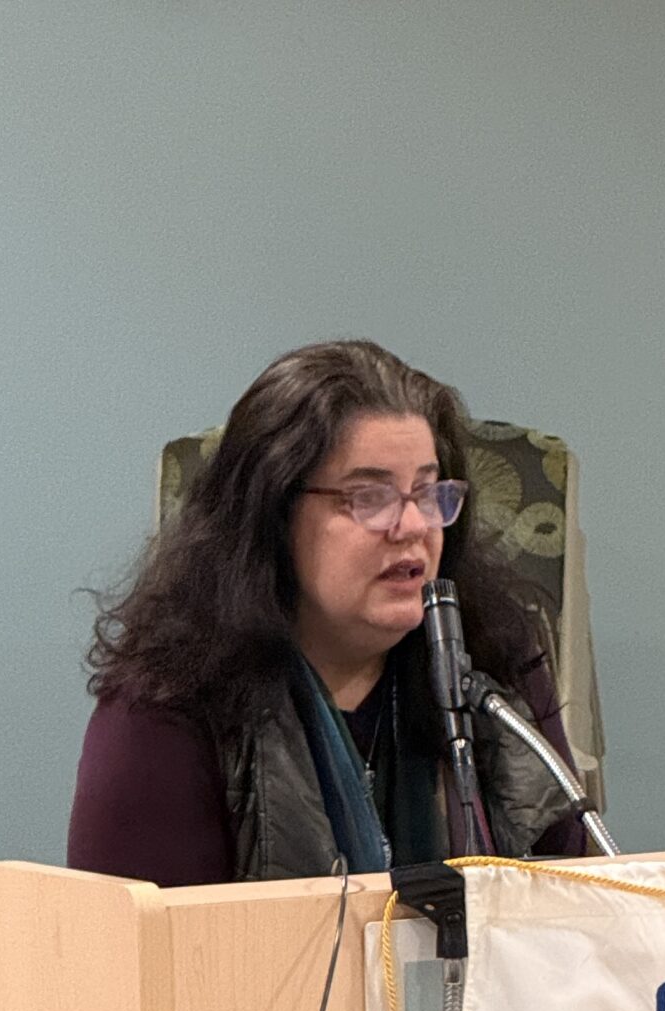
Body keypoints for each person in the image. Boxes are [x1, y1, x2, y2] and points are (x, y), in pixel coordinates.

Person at [68, 339, 588, 885]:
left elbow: (581, 907)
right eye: (369, 497)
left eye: (428, 493)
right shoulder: (166, 705)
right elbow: (136, 955)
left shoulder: (493, 670)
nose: (412, 526)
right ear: (272, 514)